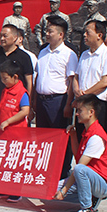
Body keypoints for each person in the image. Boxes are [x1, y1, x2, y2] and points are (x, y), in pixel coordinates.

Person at [53, 95, 107, 212]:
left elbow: (80, 166)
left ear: (91, 112)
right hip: (91, 177)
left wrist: (64, 191)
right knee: (52, 190)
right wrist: (73, 135)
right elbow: (78, 156)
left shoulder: (96, 137)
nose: (77, 114)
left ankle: (87, 208)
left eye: (80, 111)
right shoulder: (87, 132)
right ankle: (91, 197)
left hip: (104, 184)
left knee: (79, 170)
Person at [32, 15, 78, 182]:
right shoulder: (43, 52)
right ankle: (45, 168)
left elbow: (71, 81)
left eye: (50, 31)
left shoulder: (69, 54)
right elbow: (38, 77)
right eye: (46, 30)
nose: (47, 34)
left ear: (61, 34)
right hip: (42, 100)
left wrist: (68, 104)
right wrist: (34, 101)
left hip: (58, 101)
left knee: (60, 137)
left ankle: (62, 171)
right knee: (43, 137)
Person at [0, 59, 30, 202]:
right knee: (2, 161)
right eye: (1, 78)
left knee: (15, 163)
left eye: (5, 78)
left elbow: (25, 110)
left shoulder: (21, 92)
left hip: (16, 134)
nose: (3, 81)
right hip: (3, 135)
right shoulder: (6, 90)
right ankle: (2, 188)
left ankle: (16, 190)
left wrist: (8, 121)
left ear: (15, 77)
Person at [71, 21, 107, 135]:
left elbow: (105, 82)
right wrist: (77, 91)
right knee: (81, 136)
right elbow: (76, 77)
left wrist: (86, 94)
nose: (84, 35)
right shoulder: (84, 55)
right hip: (82, 104)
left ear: (99, 35)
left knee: (96, 138)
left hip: (99, 104)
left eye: (88, 32)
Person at [0, 24, 34, 126]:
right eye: (1, 36)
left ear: (15, 38)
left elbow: (29, 82)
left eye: (5, 36)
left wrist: (28, 105)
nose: (2, 39)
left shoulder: (24, 57)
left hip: (15, 106)